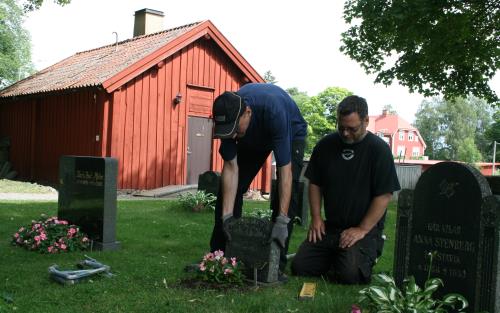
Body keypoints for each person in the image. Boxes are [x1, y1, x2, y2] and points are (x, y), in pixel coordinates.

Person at [291, 95, 400, 284]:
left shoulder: (379, 150)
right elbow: (315, 182)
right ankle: (336, 256)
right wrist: (316, 218)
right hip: (331, 227)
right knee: (300, 267)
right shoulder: (326, 145)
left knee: (349, 276)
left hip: (363, 229)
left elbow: (384, 195)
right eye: (341, 127)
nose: (346, 133)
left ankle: (361, 254)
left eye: (352, 128)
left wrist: (362, 229)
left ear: (366, 121)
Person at [210, 83, 307, 274]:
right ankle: (221, 256)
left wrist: (281, 220)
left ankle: (275, 264)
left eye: (235, 130)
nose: (233, 136)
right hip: (254, 135)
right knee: (227, 193)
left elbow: (285, 171)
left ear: (247, 112)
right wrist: (227, 218)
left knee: (286, 196)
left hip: (291, 132)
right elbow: (231, 168)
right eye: (230, 132)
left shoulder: (273, 110)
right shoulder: (229, 117)